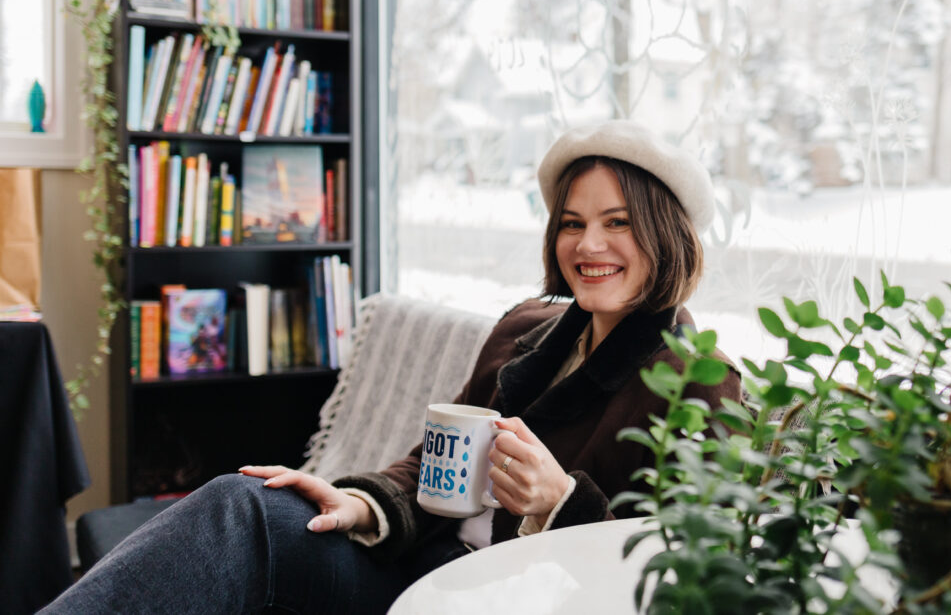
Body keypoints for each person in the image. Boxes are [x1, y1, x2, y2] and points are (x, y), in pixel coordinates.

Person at [42, 120, 741, 614]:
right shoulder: (527, 328)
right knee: (241, 506)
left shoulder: (699, 380)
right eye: (572, 222)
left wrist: (560, 503)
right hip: (419, 559)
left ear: (664, 233)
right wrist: (363, 501)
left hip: (498, 597)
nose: (589, 244)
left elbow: (680, 582)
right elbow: (433, 462)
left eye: (618, 222)